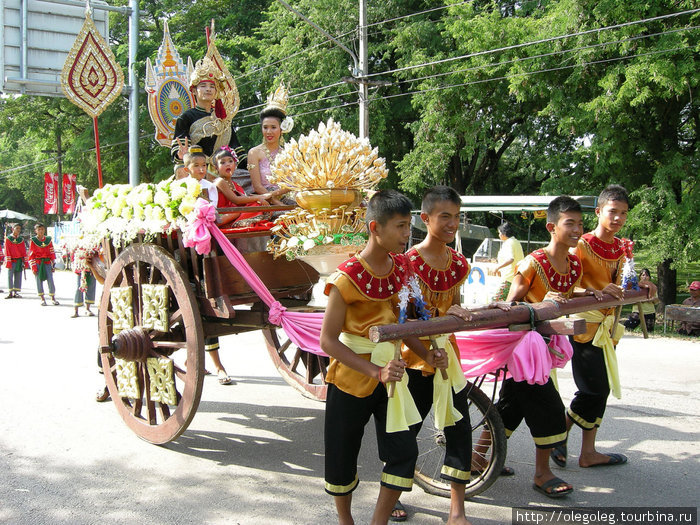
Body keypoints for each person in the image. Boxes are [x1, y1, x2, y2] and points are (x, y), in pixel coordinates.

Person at [453, 196, 602, 499]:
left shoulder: (574, 264)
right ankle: (541, 473)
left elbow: (570, 293)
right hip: (522, 346)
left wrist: (598, 292)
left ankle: (479, 457)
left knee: (512, 404)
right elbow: (511, 305)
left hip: (543, 344)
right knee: (546, 406)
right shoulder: (534, 262)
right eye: (569, 223)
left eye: (580, 224)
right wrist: (545, 303)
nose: (576, 230)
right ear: (551, 227)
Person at [320, 189, 448, 525]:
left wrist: (427, 354)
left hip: (391, 378)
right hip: (350, 380)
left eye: (408, 227)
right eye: (401, 227)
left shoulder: (403, 268)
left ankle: (378, 521)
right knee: (341, 457)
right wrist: (375, 371)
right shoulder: (345, 278)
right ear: (375, 228)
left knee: (404, 452)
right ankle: (345, 520)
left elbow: (404, 324)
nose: (408, 235)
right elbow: (328, 342)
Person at [396, 186, 494, 524]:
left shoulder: (459, 263)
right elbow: (401, 316)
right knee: (405, 430)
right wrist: (425, 346)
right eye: (444, 217)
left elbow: (454, 302)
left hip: (447, 358)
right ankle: (393, 493)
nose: (453, 224)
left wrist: (458, 311)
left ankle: (457, 510)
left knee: (459, 429)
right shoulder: (405, 264)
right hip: (413, 357)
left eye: (456, 217)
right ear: (425, 219)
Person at [551, 184, 631, 469]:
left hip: (606, 329)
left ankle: (587, 451)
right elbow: (569, 283)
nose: (618, 218)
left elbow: (625, 282)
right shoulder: (581, 244)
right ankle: (560, 437)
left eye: (623, 213)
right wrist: (593, 290)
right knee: (593, 390)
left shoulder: (621, 247)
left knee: (600, 389)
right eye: (613, 212)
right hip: (585, 326)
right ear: (599, 212)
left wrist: (641, 284)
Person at [171, 56, 247, 170]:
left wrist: (251, 164)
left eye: (212, 86)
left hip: (222, 171)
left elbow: (236, 149)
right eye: (203, 86)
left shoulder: (223, 117)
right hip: (197, 171)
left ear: (216, 92)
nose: (208, 89)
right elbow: (179, 148)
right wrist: (180, 154)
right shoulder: (187, 117)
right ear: (194, 91)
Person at [246, 83, 293, 205]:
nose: (269, 132)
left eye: (273, 127)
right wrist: (277, 203)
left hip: (289, 199)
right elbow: (257, 186)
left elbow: (293, 183)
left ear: (281, 129)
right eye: (265, 127)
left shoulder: (289, 152)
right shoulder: (254, 153)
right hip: (265, 200)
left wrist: (276, 195)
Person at [212, 146, 273, 227]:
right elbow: (236, 200)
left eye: (230, 161)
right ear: (216, 168)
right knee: (241, 210)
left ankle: (244, 222)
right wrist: (259, 197)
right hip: (222, 215)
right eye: (222, 163)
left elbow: (245, 200)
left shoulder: (235, 184)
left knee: (257, 204)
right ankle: (238, 224)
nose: (227, 164)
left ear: (235, 165)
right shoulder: (220, 181)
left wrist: (259, 199)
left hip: (235, 213)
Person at [490, 222, 524, 301]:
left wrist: (497, 268)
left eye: (499, 233)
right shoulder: (516, 242)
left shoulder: (508, 243)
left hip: (509, 279)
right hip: (516, 278)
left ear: (503, 233)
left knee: (495, 301)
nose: (499, 235)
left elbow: (510, 259)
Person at [28, 223, 59, 306]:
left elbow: (51, 252)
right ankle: (42, 298)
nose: (41, 231)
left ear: (44, 230)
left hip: (47, 262)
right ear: (36, 231)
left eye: (42, 229)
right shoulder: (33, 241)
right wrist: (33, 267)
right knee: (39, 280)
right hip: (38, 262)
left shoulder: (48, 240)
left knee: (50, 280)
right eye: (39, 230)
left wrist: (53, 264)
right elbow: (31, 255)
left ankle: (53, 297)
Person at [4, 223, 28, 299]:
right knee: (9, 276)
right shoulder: (8, 239)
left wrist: (25, 261)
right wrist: (8, 261)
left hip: (19, 260)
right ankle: (10, 292)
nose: (18, 230)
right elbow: (7, 251)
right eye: (16, 228)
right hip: (11, 260)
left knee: (18, 276)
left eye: (19, 229)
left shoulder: (21, 240)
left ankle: (16, 292)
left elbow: (23, 251)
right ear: (12, 229)